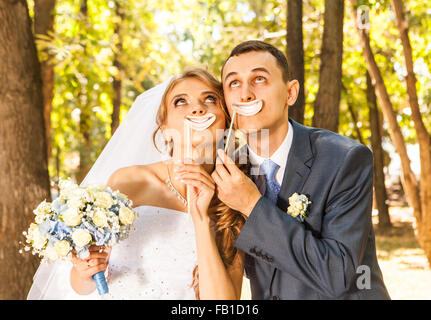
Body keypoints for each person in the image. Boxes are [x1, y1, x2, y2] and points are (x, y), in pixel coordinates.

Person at [27, 68, 246, 300]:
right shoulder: (129, 182)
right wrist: (84, 272)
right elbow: (84, 284)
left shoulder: (233, 201)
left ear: (226, 120)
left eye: (210, 99)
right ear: (165, 129)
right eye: (180, 101)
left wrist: (201, 220)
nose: (197, 108)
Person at [212, 40, 391, 299]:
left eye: (259, 79)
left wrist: (252, 205)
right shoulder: (230, 173)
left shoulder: (345, 159)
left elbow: (337, 273)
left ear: (291, 93)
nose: (246, 94)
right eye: (234, 83)